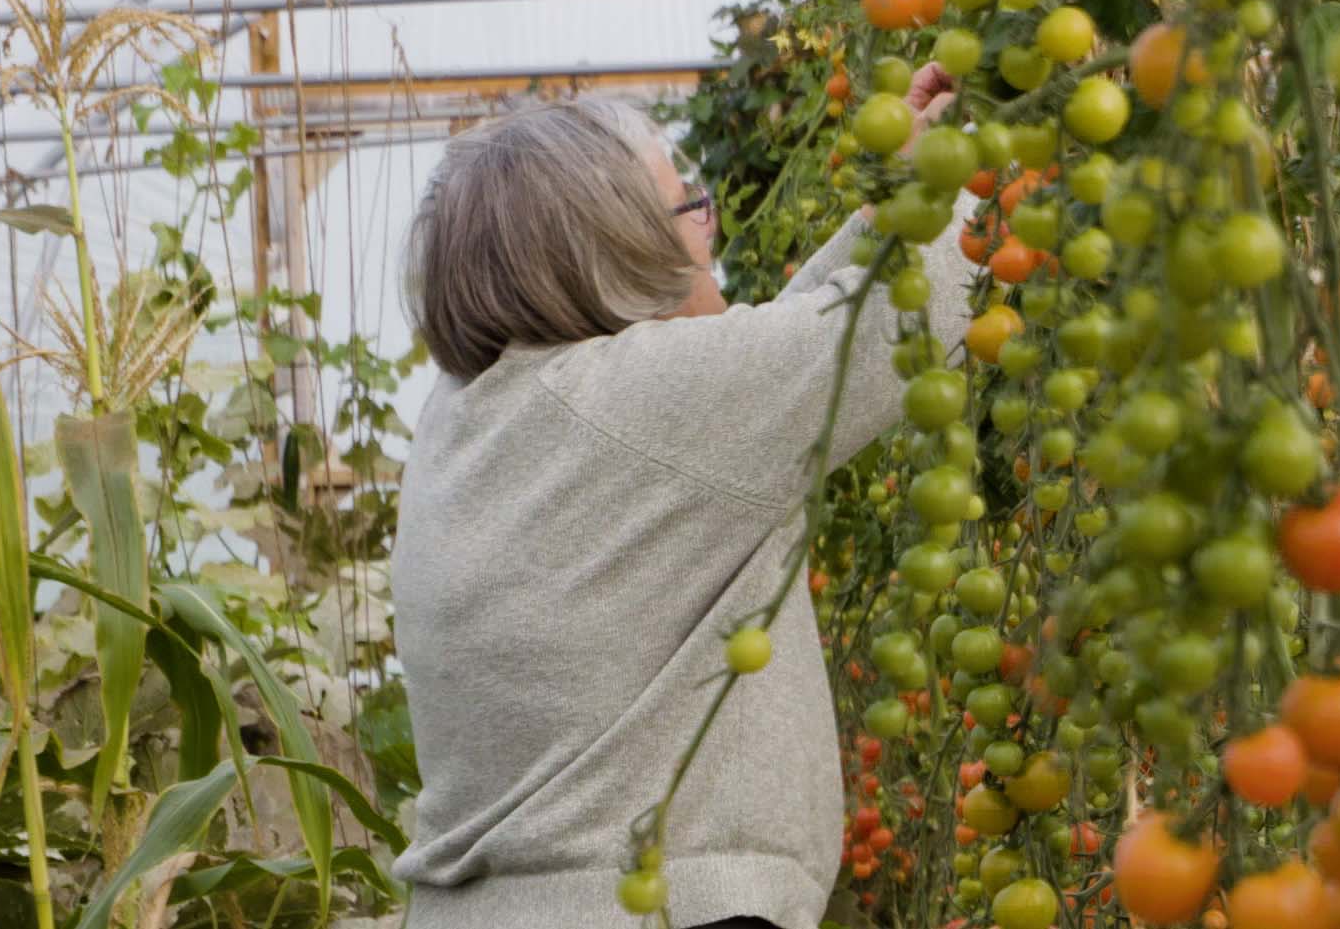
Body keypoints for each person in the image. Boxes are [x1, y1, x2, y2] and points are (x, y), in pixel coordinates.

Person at [388, 68, 975, 929]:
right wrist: (983, 159)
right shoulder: (633, 406)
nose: (710, 230)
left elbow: (775, 361)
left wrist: (905, 195)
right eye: (687, 209)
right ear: (616, 255)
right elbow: (888, 327)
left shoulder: (476, 414)